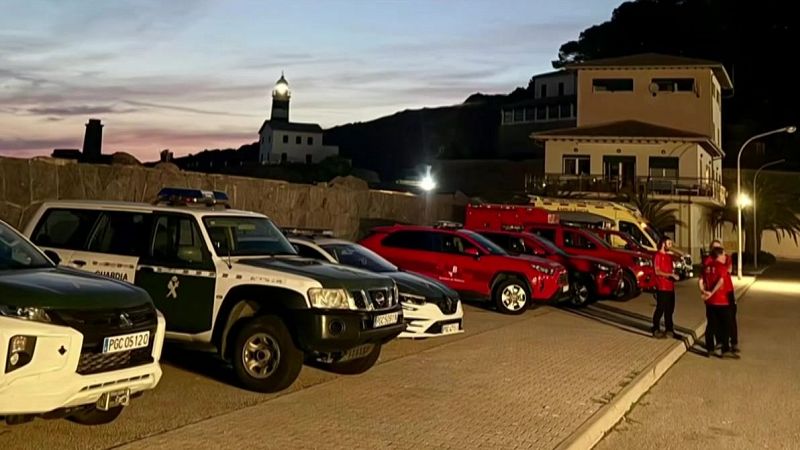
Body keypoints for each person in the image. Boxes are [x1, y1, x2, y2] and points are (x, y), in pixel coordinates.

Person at [700, 247, 740, 359]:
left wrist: (704, 292)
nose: (725, 257)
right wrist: (712, 292)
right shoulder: (721, 267)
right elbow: (721, 281)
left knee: (711, 324)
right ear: (718, 255)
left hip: (710, 302)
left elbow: (701, 280)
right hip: (721, 300)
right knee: (727, 324)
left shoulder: (707, 267)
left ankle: (710, 348)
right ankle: (725, 349)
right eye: (723, 255)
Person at [652, 237, 680, 338]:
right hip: (662, 287)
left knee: (670, 310)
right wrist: (670, 275)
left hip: (670, 287)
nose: (671, 245)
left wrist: (672, 249)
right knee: (660, 308)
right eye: (669, 243)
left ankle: (669, 329)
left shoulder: (668, 256)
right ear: (663, 243)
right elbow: (657, 271)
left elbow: (681, 255)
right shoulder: (658, 256)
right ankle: (655, 329)